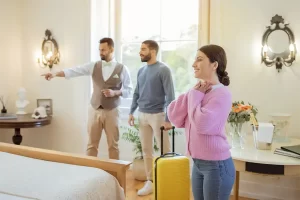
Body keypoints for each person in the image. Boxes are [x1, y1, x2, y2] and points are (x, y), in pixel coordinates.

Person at [42, 37, 133, 160]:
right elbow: (75, 71)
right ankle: (90, 171)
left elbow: (129, 91)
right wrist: (54, 74)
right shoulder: (94, 65)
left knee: (113, 145)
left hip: (112, 111)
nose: (100, 52)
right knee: (91, 145)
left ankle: (115, 175)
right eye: (99, 50)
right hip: (94, 109)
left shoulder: (122, 69)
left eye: (103, 50)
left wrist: (115, 92)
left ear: (111, 49)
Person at [167, 44, 235, 200]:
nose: (193, 64)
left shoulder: (222, 94)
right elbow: (174, 116)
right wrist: (193, 93)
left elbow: (202, 125)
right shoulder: (197, 91)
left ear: (214, 65)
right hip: (198, 163)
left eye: (199, 59)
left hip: (216, 165)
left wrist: (195, 96)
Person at [128, 40, 175, 196]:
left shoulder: (163, 70)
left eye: (143, 49)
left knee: (165, 151)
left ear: (153, 51)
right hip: (142, 115)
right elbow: (136, 93)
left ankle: (167, 181)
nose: (140, 52)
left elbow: (171, 96)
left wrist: (168, 119)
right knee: (146, 151)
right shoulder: (141, 71)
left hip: (158, 116)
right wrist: (131, 112)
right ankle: (150, 182)